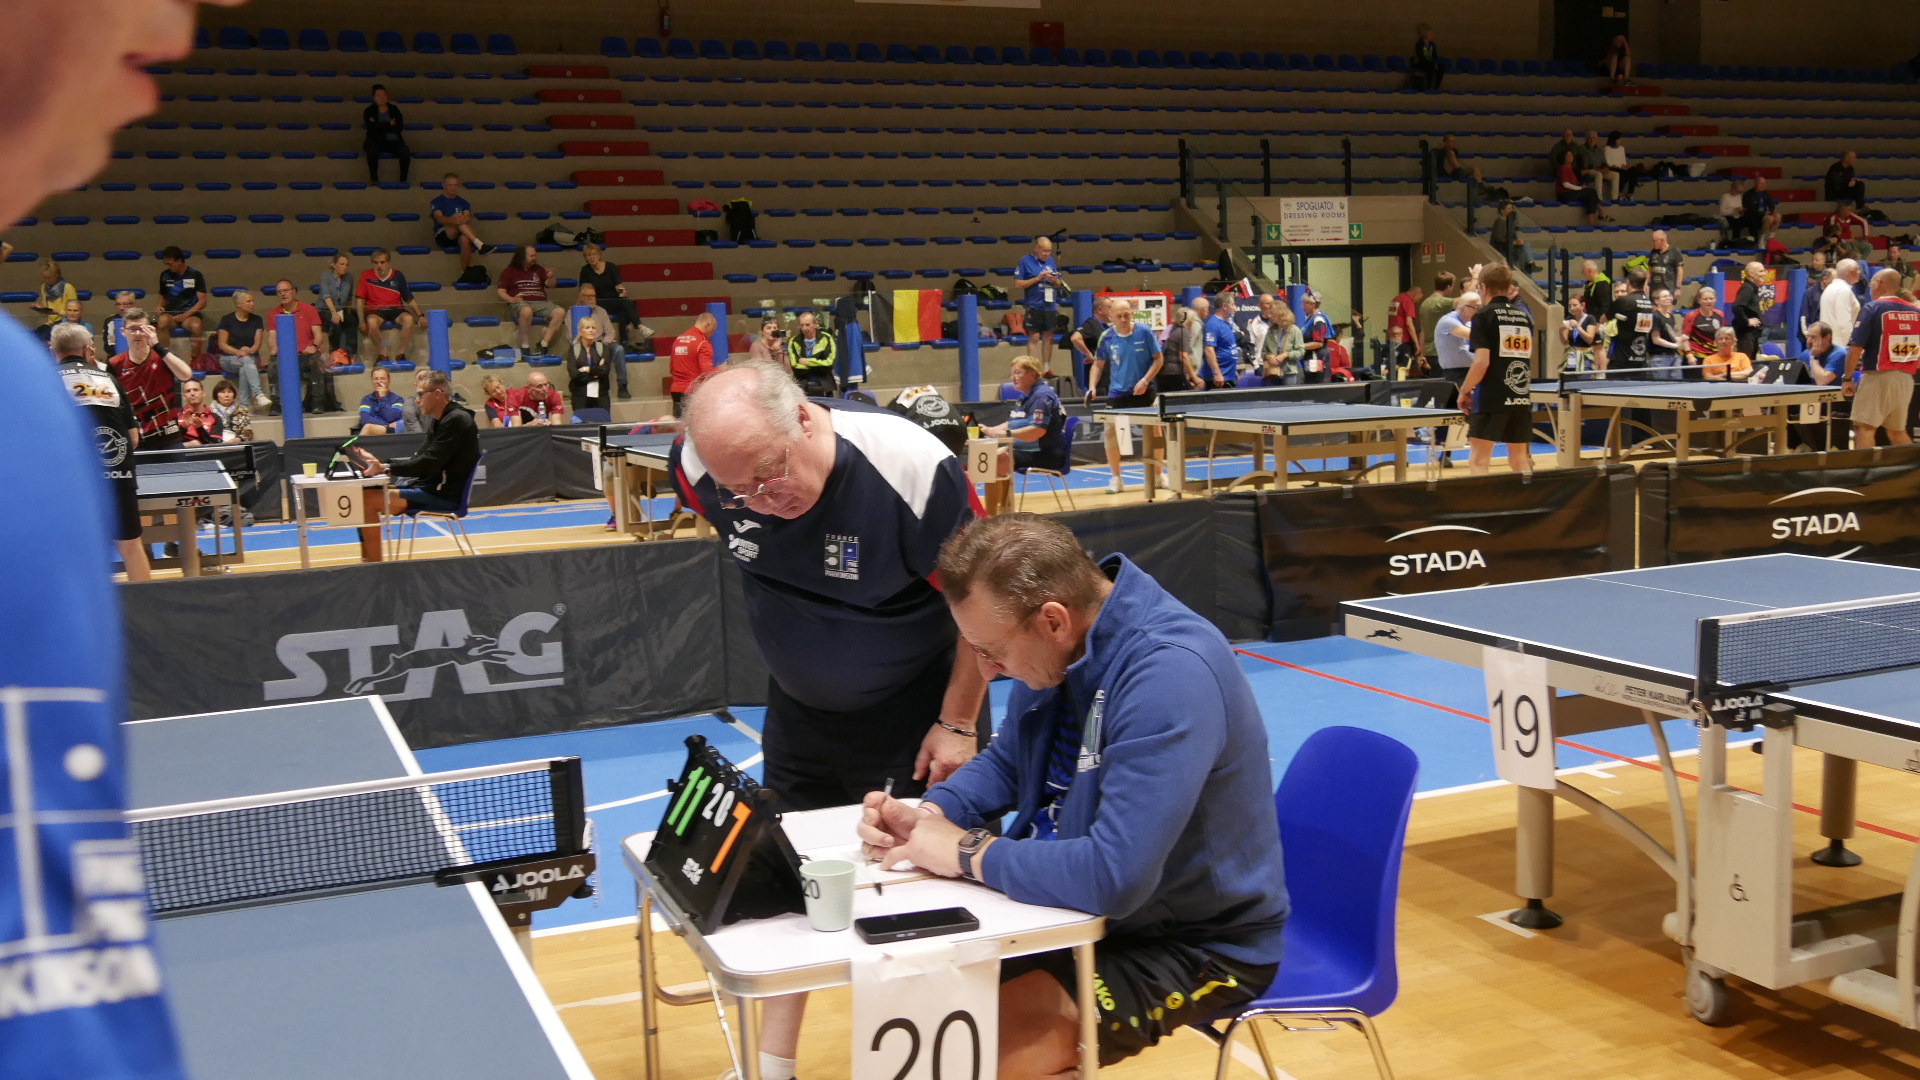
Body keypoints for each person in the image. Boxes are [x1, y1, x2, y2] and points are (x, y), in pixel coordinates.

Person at [858, 513, 1287, 1079]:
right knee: (908, 1016)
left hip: (1193, 944)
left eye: (992, 651)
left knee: (967, 1063)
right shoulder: (1060, 651)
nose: (986, 670)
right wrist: (931, 815)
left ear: (1054, 620)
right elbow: (1011, 759)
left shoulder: (1170, 675)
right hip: (1070, 913)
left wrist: (965, 851)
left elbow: (1114, 877)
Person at [668, 359, 990, 1080]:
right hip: (799, 716)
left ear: (806, 420)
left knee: (919, 905)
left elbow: (986, 603)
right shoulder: (698, 469)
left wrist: (958, 723)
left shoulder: (910, 471)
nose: (758, 500)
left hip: (918, 720)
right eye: (739, 490)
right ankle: (771, 1070)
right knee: (795, 888)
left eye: (768, 474)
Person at [348, 368, 480, 562]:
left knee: (368, 500)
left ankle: (375, 566)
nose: (417, 400)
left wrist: (385, 468)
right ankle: (367, 562)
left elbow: (426, 464)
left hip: (444, 496)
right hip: (429, 488)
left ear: (437, 394)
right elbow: (420, 458)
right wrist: (382, 465)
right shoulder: (439, 421)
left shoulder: (457, 420)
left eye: (420, 394)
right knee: (365, 493)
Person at [54, 321, 150, 582]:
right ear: (88, 350)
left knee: (73, 549)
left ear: (53, 350)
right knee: (131, 546)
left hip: (71, 477)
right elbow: (133, 437)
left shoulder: (46, 379)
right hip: (117, 471)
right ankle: (147, 605)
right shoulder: (108, 379)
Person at [1457, 263, 1536, 476]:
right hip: (1519, 396)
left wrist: (1465, 390)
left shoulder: (1483, 316)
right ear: (1508, 287)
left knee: (1479, 460)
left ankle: (1482, 499)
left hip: (1491, 398)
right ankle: (1525, 497)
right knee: (1519, 459)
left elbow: (1481, 362)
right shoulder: (1523, 317)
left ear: (1483, 287)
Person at [1091, 301, 1164, 494]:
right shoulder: (1107, 337)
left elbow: (1159, 359)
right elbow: (1098, 364)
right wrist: (1092, 386)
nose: (1123, 319)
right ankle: (1116, 479)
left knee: (1156, 432)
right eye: (1119, 316)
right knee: (1110, 433)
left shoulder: (1144, 332)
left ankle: (1158, 475)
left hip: (1145, 390)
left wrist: (1145, 380)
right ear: (1111, 317)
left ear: (1132, 314)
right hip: (1118, 393)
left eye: (1127, 315)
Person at [1841, 268, 1919, 447]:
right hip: (1906, 380)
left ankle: (1865, 466)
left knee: (1864, 428)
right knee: (1897, 432)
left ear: (1879, 284)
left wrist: (1847, 378)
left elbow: (1855, 347)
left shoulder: (1873, 308)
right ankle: (1913, 465)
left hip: (1878, 377)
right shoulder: (1915, 313)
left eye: (1871, 283)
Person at [108, 306, 193, 452]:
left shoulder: (163, 356)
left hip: (169, 438)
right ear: (123, 332)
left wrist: (157, 345)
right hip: (137, 440)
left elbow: (186, 375)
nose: (138, 333)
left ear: (150, 330)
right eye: (132, 329)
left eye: (142, 329)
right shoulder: (115, 364)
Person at [982, 354, 1067, 475]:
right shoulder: (1026, 396)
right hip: (1028, 449)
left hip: (1046, 454)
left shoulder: (1041, 396)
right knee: (985, 456)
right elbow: (1013, 423)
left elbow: (1037, 431)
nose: (1013, 378)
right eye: (1012, 374)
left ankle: (1000, 488)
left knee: (998, 459)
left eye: (1017, 373)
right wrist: (989, 431)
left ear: (1032, 374)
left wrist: (1006, 434)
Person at [265, 277, 336, 413]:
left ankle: (317, 402)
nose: (283, 294)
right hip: (285, 355)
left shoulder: (309, 309)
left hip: (305, 354)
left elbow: (318, 335)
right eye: (279, 292)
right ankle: (276, 403)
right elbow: (272, 337)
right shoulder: (273, 314)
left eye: (286, 291)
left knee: (316, 360)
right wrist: (273, 348)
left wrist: (314, 346)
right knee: (273, 363)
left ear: (294, 292)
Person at [578, 242, 646, 362]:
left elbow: (618, 285)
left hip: (613, 299)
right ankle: (631, 335)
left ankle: (633, 333)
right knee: (624, 307)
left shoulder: (611, 267)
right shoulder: (585, 270)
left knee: (626, 305)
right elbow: (584, 289)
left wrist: (622, 292)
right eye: (588, 255)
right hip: (597, 302)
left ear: (599, 255)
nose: (592, 257)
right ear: (586, 258)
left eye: (594, 254)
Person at [356, 248, 422, 365]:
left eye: (382, 262)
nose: (379, 266)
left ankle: (401, 354)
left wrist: (420, 315)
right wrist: (361, 321)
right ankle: (383, 353)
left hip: (396, 309)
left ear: (389, 262)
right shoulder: (366, 275)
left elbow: (409, 298)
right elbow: (360, 300)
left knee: (409, 319)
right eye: (376, 263)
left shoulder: (398, 275)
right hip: (375, 310)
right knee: (371, 322)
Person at [498, 244, 564, 356]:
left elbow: (551, 285)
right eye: (531, 256)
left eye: (535, 255)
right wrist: (511, 299)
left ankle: (543, 344)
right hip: (521, 302)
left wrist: (551, 276)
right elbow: (500, 291)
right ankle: (525, 346)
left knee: (560, 312)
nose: (535, 258)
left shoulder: (539, 269)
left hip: (541, 303)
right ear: (522, 257)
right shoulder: (509, 271)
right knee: (526, 311)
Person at [1014, 236, 1064, 375]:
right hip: (1034, 304)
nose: (1047, 254)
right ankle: (1033, 369)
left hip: (1049, 304)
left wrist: (1054, 280)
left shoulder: (1051, 261)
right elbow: (1018, 284)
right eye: (1044, 251)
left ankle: (1047, 368)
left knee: (1049, 337)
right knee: (1035, 336)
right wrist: (1038, 278)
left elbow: (1059, 284)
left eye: (1049, 251)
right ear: (1037, 248)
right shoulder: (1025, 261)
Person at [214, 290, 271, 410]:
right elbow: (222, 344)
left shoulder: (257, 320)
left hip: (250, 358)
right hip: (229, 358)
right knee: (245, 361)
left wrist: (249, 351)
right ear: (239, 304)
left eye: (253, 301)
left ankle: (244, 406)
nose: (252, 304)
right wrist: (238, 352)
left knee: (244, 366)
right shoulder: (227, 319)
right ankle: (258, 394)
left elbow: (257, 344)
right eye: (248, 301)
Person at [156, 245, 209, 366]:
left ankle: (195, 360)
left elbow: (202, 301)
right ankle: (165, 358)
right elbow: (163, 296)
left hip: (190, 314)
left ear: (179, 261)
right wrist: (160, 306)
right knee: (162, 322)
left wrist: (185, 315)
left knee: (196, 326)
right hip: (171, 313)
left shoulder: (195, 275)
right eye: (166, 264)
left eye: (170, 264)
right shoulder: (165, 275)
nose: (168, 267)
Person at [430, 172, 483, 272]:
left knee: (465, 239)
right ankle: (479, 244)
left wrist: (463, 218)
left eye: (455, 185)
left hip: (460, 232)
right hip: (444, 234)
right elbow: (439, 218)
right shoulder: (437, 201)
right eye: (450, 185)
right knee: (457, 222)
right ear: (444, 186)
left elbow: (468, 217)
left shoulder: (463, 202)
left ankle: (465, 272)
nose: (453, 188)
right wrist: (452, 220)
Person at [667, 311, 716, 415]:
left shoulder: (678, 340)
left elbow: (672, 368)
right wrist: (721, 370)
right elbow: (707, 372)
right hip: (692, 392)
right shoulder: (703, 343)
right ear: (707, 325)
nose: (711, 334)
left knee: (678, 423)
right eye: (712, 330)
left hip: (676, 390)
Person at [566, 318, 618, 414]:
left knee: (603, 420)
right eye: (587, 328)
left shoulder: (603, 348)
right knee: (582, 420)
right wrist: (595, 373)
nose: (591, 330)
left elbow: (605, 370)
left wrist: (588, 369)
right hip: (580, 393)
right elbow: (574, 374)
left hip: (601, 393)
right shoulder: (574, 349)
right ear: (580, 330)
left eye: (593, 328)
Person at [361, 83, 410, 184]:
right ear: (374, 98)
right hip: (375, 141)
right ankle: (374, 180)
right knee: (372, 151)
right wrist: (389, 124)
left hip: (394, 140)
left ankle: (403, 180)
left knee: (405, 151)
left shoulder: (394, 109)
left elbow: (399, 127)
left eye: (384, 95)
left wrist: (380, 125)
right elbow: (372, 128)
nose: (382, 98)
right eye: (378, 95)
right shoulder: (369, 111)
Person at [1608, 267, 1654, 373]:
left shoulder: (1626, 302)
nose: (1619, 294)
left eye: (1623, 291)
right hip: (1635, 357)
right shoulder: (1647, 302)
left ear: (1628, 284)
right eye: (1617, 292)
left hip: (1623, 359)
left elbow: (1604, 318)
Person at [1070, 295, 1115, 398]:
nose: (1112, 311)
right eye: (1109, 308)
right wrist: (1088, 354)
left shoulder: (1106, 327)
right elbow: (1075, 338)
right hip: (1099, 381)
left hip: (1109, 378)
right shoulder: (1091, 324)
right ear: (1100, 309)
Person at [786, 309, 838, 397]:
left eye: (807, 325)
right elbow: (795, 366)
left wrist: (807, 362)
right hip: (803, 385)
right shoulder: (794, 341)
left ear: (816, 324)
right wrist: (818, 365)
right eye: (802, 325)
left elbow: (829, 364)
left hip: (824, 385)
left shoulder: (827, 338)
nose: (804, 328)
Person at [317, 252, 359, 359]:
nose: (344, 267)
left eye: (346, 265)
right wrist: (334, 312)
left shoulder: (349, 277)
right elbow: (326, 295)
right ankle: (335, 351)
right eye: (341, 264)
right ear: (334, 265)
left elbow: (349, 297)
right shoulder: (326, 276)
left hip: (341, 309)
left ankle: (351, 352)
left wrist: (348, 312)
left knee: (352, 320)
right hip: (325, 309)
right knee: (335, 322)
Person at [1159, 305, 1205, 392]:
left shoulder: (1169, 329)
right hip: (1176, 373)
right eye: (1192, 320)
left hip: (1162, 372)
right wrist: (1194, 377)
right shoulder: (1183, 332)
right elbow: (1184, 356)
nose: (1193, 322)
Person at [30, 257, 77, 341]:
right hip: (51, 323)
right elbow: (47, 309)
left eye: (49, 277)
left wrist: (56, 311)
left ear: (56, 275)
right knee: (31, 336)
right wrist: (39, 308)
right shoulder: (44, 287)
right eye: (44, 278)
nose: (46, 280)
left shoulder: (68, 288)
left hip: (65, 323)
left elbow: (74, 312)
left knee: (44, 338)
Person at [1823, 258, 1864, 348]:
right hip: (1841, 345)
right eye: (1858, 269)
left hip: (1830, 343)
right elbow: (1844, 323)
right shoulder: (1843, 290)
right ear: (1852, 272)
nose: (1860, 272)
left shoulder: (1831, 287)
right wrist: (1852, 345)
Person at [1732, 261, 1769, 359]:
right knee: (1746, 360)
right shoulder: (1747, 288)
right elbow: (1737, 306)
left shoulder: (1752, 288)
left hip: (1753, 333)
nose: (1764, 273)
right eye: (1761, 271)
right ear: (1751, 274)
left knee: (1751, 360)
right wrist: (1746, 321)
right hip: (1746, 333)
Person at [1684, 285, 1724, 375]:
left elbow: (1722, 335)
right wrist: (1689, 355)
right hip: (1697, 356)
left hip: (1714, 356)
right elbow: (1685, 337)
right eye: (1705, 299)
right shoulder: (1691, 316)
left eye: (1711, 299)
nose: (1708, 301)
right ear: (1699, 301)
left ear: (1715, 300)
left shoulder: (1719, 314)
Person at [1262, 304, 1305, 385]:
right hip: (1272, 372)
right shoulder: (1270, 331)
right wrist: (1268, 356)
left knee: (1288, 393)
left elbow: (1301, 352)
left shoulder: (1294, 330)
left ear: (1280, 313)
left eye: (1272, 313)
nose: (1270, 316)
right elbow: (1263, 352)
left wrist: (1286, 355)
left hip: (1289, 371)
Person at [1419, 272, 1458, 356]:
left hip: (1428, 351)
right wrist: (1475, 277)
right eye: (1452, 286)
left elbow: (1423, 331)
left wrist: (1421, 354)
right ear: (1448, 287)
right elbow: (1465, 300)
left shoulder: (1425, 303)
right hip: (1439, 352)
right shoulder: (1443, 302)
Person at [1557, 154, 1603, 226]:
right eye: (1567, 156)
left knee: (1590, 198)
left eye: (1571, 156)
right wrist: (1581, 188)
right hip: (1565, 194)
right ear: (1564, 158)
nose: (1570, 157)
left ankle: (1592, 223)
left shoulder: (1571, 169)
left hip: (1571, 192)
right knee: (1591, 191)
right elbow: (1565, 184)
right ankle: (1601, 211)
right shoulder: (1563, 168)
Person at [1649, 289, 1685, 380]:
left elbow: (1671, 335)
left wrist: (1680, 339)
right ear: (1657, 301)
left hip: (1674, 355)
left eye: (1669, 296)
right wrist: (1674, 345)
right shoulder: (1655, 316)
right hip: (1660, 357)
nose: (1668, 298)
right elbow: (1656, 339)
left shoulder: (1671, 316)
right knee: (1662, 384)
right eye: (1664, 296)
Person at [174, 377, 222, 446]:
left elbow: (215, 445)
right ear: (184, 396)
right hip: (181, 451)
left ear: (203, 393)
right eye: (188, 391)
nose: (192, 393)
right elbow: (170, 443)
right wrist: (184, 428)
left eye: (195, 390)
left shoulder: (216, 418)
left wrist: (200, 428)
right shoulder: (175, 416)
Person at [358, 365, 405, 435]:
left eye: (382, 379)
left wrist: (383, 397)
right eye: (375, 379)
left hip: (391, 433)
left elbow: (390, 417)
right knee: (368, 427)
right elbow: (365, 419)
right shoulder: (366, 400)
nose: (379, 382)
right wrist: (386, 425)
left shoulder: (398, 400)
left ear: (389, 381)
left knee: (368, 427)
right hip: (381, 429)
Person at [1740, 177, 1781, 248]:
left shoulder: (1765, 193)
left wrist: (1770, 211)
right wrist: (1764, 215)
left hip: (1763, 215)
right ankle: (1761, 240)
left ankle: (1771, 239)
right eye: (1761, 183)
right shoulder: (1748, 194)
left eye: (1764, 183)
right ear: (1755, 183)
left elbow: (1771, 204)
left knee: (1778, 216)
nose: (1763, 185)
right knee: (1769, 218)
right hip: (1753, 217)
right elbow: (1750, 209)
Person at [1388, 284, 1424, 359]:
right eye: (1418, 299)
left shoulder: (1396, 299)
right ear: (1416, 293)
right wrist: (1416, 343)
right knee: (1405, 363)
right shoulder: (1408, 301)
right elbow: (1409, 324)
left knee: (1393, 361)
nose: (1417, 301)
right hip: (1403, 338)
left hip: (1392, 337)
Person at [1561, 294, 1598, 370]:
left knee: (1585, 375)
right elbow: (1564, 341)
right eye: (1570, 306)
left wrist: (1578, 327)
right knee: (1570, 374)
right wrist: (1561, 331)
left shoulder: (1589, 318)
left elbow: (1590, 340)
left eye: (1575, 305)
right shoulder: (1569, 319)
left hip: (1585, 354)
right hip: (1572, 354)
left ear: (1582, 305)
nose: (1572, 308)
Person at [1647, 230, 1685, 297]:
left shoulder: (1675, 251)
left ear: (1662, 240)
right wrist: (1646, 283)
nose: (1653, 243)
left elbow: (1680, 270)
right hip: (1655, 289)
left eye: (1654, 241)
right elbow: (1650, 270)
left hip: (1669, 288)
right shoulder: (1653, 252)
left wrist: (1678, 288)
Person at [1489, 199, 1525, 271]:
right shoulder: (1499, 222)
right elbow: (1499, 239)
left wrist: (1518, 241)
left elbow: (1513, 236)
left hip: (1510, 244)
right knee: (1522, 250)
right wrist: (1513, 242)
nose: (1511, 210)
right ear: (1502, 211)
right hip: (1501, 246)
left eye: (1511, 208)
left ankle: (1529, 266)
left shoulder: (1511, 222)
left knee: (1526, 246)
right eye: (1509, 209)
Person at [1581, 131, 1616, 203]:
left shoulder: (1599, 150)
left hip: (1600, 169)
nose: (1592, 140)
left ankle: (1614, 198)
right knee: (1598, 174)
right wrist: (1599, 169)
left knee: (1615, 175)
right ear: (1586, 139)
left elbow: (1604, 162)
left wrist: (1605, 168)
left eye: (1594, 138)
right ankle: (1599, 198)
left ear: (1597, 139)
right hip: (1590, 170)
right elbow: (1586, 164)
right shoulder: (1582, 149)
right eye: (1590, 138)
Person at [1410, 22, 1442, 91]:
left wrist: (1434, 62)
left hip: (1429, 62)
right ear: (1426, 35)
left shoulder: (1432, 44)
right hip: (1421, 62)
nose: (1433, 36)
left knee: (1441, 67)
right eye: (1431, 34)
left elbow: (1435, 55)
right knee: (1430, 66)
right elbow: (1421, 57)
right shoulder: (1419, 44)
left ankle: (1436, 87)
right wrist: (1432, 63)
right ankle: (1428, 87)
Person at [1719, 179, 1749, 246]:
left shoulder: (1738, 196)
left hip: (1737, 216)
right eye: (1738, 191)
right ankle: (1735, 242)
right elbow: (1722, 212)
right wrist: (1734, 210)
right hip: (1728, 216)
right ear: (1733, 188)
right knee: (1736, 223)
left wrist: (1741, 211)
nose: (1738, 193)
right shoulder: (1725, 197)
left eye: (1740, 192)